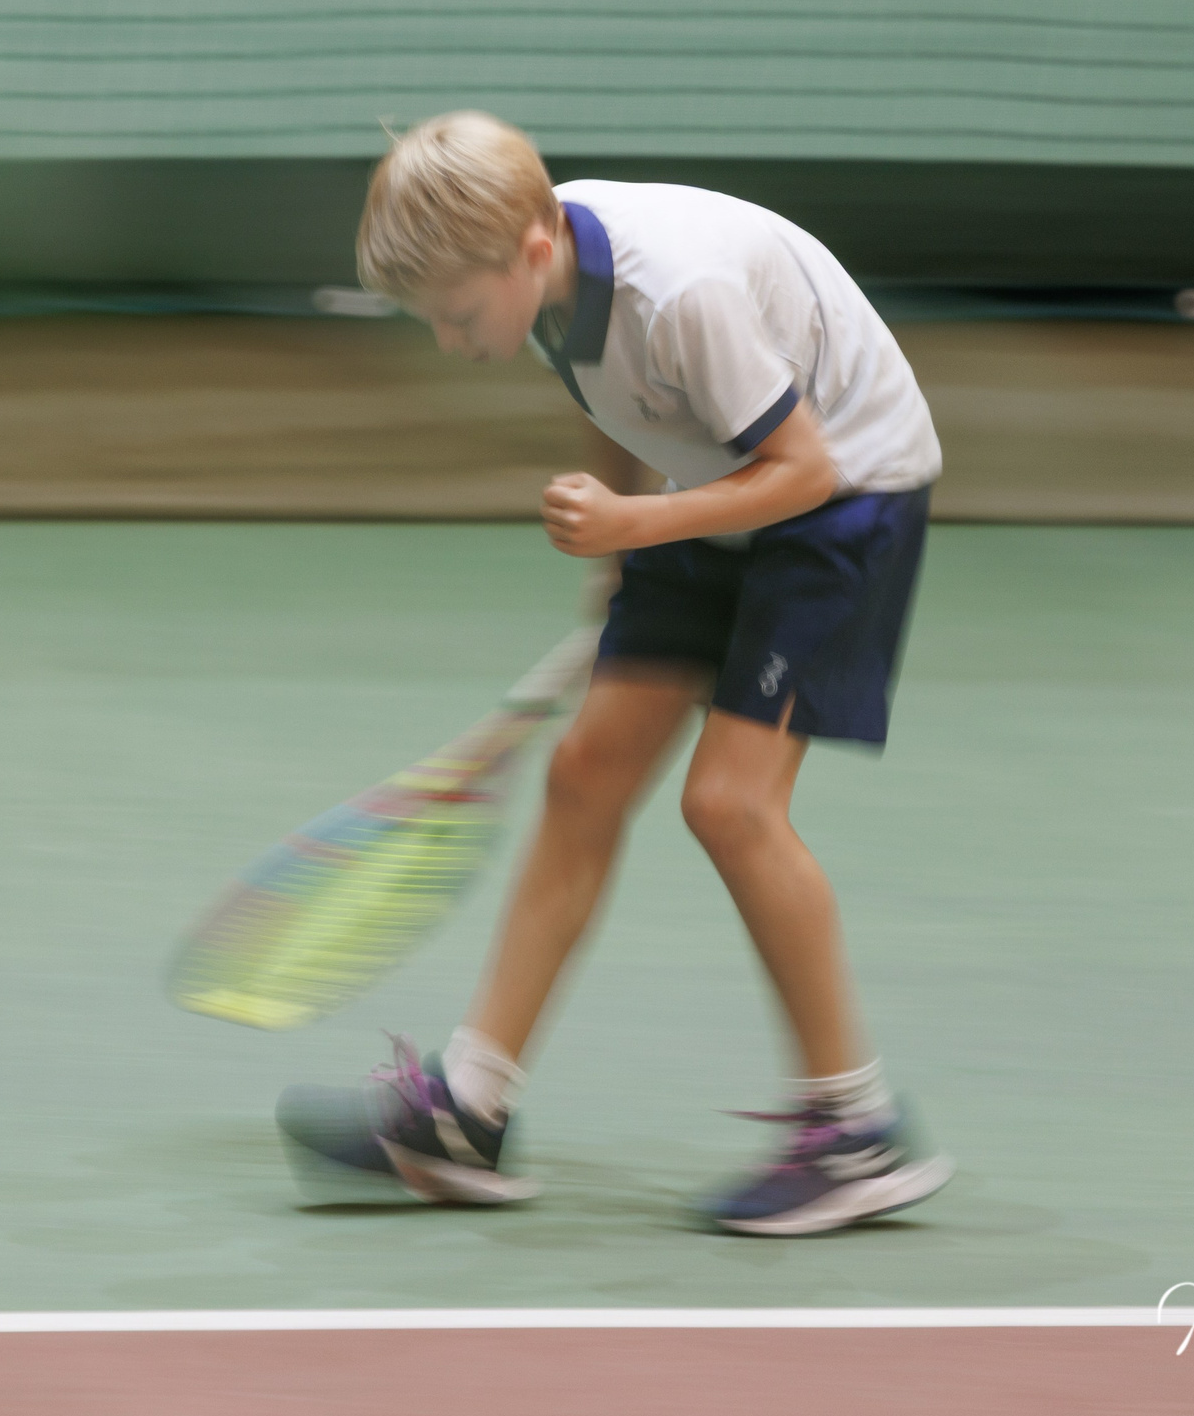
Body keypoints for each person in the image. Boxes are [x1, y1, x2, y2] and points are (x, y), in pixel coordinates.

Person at [275, 112, 950, 1236]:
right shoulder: (546, 270)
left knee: (729, 804)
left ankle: (856, 1130)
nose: (447, 340)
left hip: (840, 498)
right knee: (585, 773)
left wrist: (635, 522)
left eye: (457, 315)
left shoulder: (680, 291)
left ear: (532, 251)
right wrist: (625, 552)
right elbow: (616, 392)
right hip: (710, 478)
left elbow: (804, 469)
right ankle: (469, 1112)